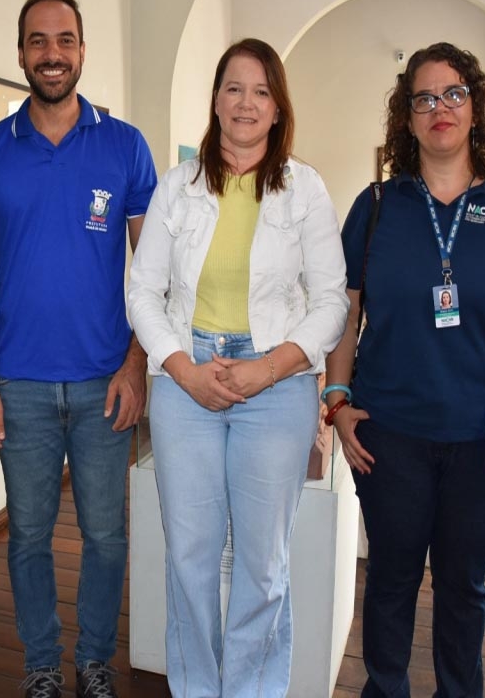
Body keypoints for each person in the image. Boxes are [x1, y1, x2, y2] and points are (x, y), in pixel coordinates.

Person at [325, 42, 485, 697]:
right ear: (406, 119)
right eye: (424, 98)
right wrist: (336, 399)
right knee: (392, 576)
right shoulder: (376, 206)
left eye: (453, 94)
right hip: (390, 431)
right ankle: (386, 688)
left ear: (477, 107)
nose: (440, 108)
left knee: (464, 582)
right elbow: (344, 313)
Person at [127, 38, 348, 697]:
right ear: (216, 101)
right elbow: (143, 292)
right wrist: (182, 368)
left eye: (260, 90)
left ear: (278, 107)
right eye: (233, 88)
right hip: (184, 382)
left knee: (262, 565)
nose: (245, 102)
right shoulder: (179, 187)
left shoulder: (304, 188)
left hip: (277, 388)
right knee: (190, 560)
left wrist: (273, 368)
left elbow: (332, 300)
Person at [0, 0, 157, 698]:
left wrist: (137, 364)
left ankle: (95, 660)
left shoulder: (124, 145)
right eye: (38, 41)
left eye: (64, 40)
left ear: (81, 50)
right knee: (30, 539)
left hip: (107, 379)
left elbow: (154, 271)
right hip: (21, 386)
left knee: (106, 538)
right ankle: (43, 666)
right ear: (20, 53)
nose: (51, 53)